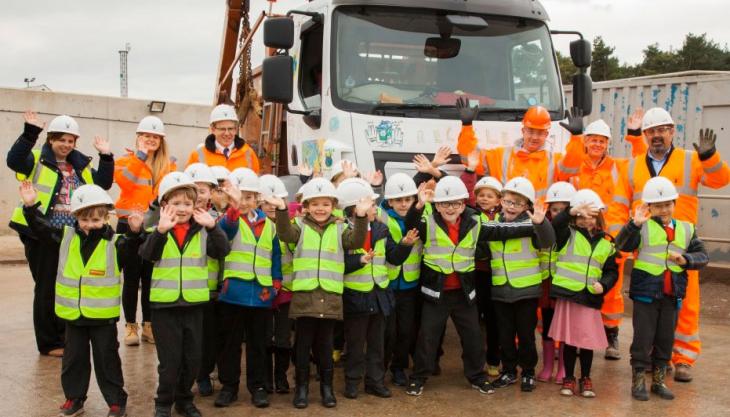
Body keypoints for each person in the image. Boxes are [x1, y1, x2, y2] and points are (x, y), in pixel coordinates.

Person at [404, 176, 549, 397]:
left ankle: (477, 377)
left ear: (464, 204)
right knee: (427, 337)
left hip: (464, 293)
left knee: (472, 338)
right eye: (445, 203)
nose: (450, 208)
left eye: (455, 203)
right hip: (436, 293)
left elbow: (505, 230)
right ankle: (418, 377)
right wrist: (419, 206)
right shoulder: (427, 221)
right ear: (437, 205)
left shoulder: (475, 221)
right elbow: (410, 225)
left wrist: (538, 223)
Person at [622, 108, 729, 382]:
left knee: (686, 304)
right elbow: (621, 204)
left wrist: (710, 157)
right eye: (651, 131)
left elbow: (720, 180)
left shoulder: (691, 160)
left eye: (662, 130)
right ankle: (656, 358)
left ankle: (683, 358)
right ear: (644, 135)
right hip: (647, 251)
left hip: (682, 247)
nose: (657, 135)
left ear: (672, 131)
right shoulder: (634, 165)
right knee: (648, 310)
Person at [20, 183, 138, 417]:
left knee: (107, 361)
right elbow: (42, 229)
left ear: (106, 218)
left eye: (96, 220)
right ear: (75, 216)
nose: (90, 225)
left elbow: (134, 249)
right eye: (85, 219)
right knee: (74, 360)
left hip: (102, 318)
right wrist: (31, 206)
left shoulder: (117, 243)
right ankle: (74, 398)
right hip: (73, 316)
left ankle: (116, 401)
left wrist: (135, 232)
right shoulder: (65, 237)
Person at [7, 111, 114, 356]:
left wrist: (106, 156)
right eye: (61, 139)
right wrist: (30, 132)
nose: (66, 145)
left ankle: (65, 335)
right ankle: (50, 342)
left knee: (65, 284)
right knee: (46, 286)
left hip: (71, 233)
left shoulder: (80, 164)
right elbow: (14, 160)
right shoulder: (36, 158)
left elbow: (103, 184)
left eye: (70, 140)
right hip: (40, 231)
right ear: (51, 139)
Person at [266, 178, 370, 409]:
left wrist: (361, 216)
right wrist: (282, 210)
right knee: (302, 344)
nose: (320, 209)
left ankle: (327, 389)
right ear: (306, 207)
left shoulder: (342, 227)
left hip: (330, 296)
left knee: (324, 345)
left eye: (325, 204)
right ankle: (301, 388)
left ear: (333, 205)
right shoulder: (299, 226)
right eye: (315, 204)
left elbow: (357, 240)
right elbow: (284, 234)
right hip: (305, 295)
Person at [139, 172, 231, 417]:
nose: (182, 209)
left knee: (192, 360)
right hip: (164, 307)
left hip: (193, 305)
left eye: (187, 204)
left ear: (195, 206)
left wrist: (213, 228)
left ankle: (184, 400)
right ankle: (163, 403)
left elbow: (222, 251)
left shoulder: (202, 230)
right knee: (169, 362)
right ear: (164, 205)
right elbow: (148, 255)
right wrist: (159, 231)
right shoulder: (156, 228)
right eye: (176, 203)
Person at [615, 176, 708, 401]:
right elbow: (621, 245)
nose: (664, 209)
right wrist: (633, 224)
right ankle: (638, 382)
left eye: (668, 204)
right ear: (649, 207)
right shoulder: (641, 227)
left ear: (675, 204)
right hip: (646, 295)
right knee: (643, 340)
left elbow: (702, 255)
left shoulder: (686, 229)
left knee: (665, 340)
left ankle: (658, 382)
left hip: (672, 295)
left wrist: (686, 259)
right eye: (658, 205)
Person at [563, 110, 647, 360]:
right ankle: (578, 335)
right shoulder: (573, 164)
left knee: (611, 288)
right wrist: (575, 137)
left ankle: (611, 334)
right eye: (593, 139)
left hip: (610, 241)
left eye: (602, 140)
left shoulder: (619, 166)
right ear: (586, 141)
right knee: (579, 284)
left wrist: (634, 136)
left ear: (608, 144)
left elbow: (642, 160)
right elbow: (560, 169)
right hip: (580, 239)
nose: (597, 144)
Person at [339, 178, 413, 400]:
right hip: (355, 296)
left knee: (377, 344)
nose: (375, 208)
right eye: (371, 204)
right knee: (354, 344)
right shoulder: (341, 231)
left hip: (379, 294)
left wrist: (405, 245)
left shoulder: (381, 228)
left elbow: (393, 257)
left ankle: (375, 381)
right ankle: (352, 382)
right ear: (355, 208)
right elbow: (338, 265)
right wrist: (358, 261)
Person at [213, 168, 282, 409]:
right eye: (240, 197)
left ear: (258, 199)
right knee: (229, 344)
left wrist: (275, 284)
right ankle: (229, 387)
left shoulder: (270, 226)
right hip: (234, 294)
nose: (244, 202)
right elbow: (226, 231)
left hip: (261, 295)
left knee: (259, 344)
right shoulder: (228, 220)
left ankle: (259, 386)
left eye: (249, 197)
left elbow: (275, 256)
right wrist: (232, 206)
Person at [487, 177, 555, 393]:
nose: (511, 207)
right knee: (505, 334)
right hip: (500, 289)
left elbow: (548, 241)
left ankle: (528, 372)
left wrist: (541, 223)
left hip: (526, 291)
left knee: (525, 335)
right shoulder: (493, 224)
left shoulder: (532, 225)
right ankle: (508, 371)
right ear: (501, 201)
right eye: (507, 201)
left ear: (527, 206)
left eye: (517, 203)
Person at [548, 189, 619, 398]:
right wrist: (571, 210)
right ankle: (568, 378)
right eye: (581, 215)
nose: (585, 219)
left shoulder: (607, 242)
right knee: (569, 341)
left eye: (590, 215)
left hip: (590, 298)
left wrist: (604, 285)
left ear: (599, 216)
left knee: (587, 342)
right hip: (569, 296)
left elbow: (611, 271)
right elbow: (555, 225)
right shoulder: (565, 234)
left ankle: (585, 377)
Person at [115, 115, 176, 346]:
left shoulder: (169, 165)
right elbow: (125, 182)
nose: (151, 140)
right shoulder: (125, 160)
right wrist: (139, 157)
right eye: (146, 136)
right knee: (131, 278)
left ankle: (148, 325)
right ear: (138, 137)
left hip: (154, 226)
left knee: (150, 278)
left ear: (161, 141)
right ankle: (131, 325)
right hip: (129, 225)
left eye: (155, 137)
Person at [455, 98, 584, 202]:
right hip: (507, 219)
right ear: (523, 131)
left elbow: (574, 164)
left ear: (546, 135)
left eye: (540, 133)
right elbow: (470, 158)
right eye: (531, 131)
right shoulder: (501, 155)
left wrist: (577, 137)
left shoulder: (554, 160)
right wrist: (467, 126)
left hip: (539, 221)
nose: (534, 137)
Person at [183, 163, 226, 399]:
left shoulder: (216, 219)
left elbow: (222, 252)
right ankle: (187, 377)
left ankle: (203, 375)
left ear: (211, 192)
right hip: (183, 291)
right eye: (194, 190)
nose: (199, 196)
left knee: (209, 340)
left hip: (209, 291)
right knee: (188, 341)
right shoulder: (176, 217)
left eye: (203, 190)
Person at [380, 173, 423, 386]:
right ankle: (380, 368)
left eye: (408, 199)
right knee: (388, 332)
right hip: (387, 284)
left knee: (406, 330)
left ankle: (399, 368)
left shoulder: (422, 215)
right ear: (389, 201)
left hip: (410, 284)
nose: (403, 204)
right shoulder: (381, 216)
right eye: (398, 200)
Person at [461, 171, 504, 377]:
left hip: (496, 276)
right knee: (473, 322)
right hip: (475, 275)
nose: (484, 198)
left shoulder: (504, 217)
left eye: (490, 195)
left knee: (494, 321)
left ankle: (494, 360)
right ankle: (473, 362)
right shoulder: (470, 215)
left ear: (499, 199)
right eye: (481, 195)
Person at [537, 181, 576, 384]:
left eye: (564, 209)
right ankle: (547, 366)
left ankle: (563, 367)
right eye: (554, 209)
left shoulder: (573, 230)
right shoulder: (545, 226)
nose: (558, 213)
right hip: (547, 284)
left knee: (565, 327)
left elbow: (559, 229)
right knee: (548, 324)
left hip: (566, 285)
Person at [259, 174, 295, 395]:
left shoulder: (291, 225)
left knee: (283, 339)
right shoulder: (256, 225)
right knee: (263, 338)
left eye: (277, 201)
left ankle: (281, 377)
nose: (271, 207)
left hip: (287, 292)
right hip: (263, 291)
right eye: (267, 203)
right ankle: (265, 380)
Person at [186, 104, 260, 172]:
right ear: (213, 129)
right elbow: (189, 183)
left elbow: (254, 182)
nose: (227, 133)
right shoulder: (198, 154)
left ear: (236, 129)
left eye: (230, 128)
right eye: (222, 129)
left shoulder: (248, 153)